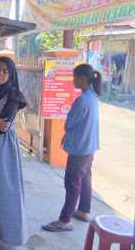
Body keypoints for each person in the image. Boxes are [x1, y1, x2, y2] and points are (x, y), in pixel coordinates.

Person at [43, 63, 101, 232]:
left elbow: (69, 123)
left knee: (72, 183)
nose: (72, 81)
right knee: (85, 179)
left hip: (80, 149)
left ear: (82, 79)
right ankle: (83, 210)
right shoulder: (93, 97)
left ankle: (64, 220)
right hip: (89, 147)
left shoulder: (81, 100)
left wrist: (67, 132)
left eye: (74, 78)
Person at [0, 56, 28, 250]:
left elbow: (2, 126)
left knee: (6, 188)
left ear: (11, 74)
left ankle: (7, 232)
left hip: (4, 147)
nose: (0, 74)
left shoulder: (14, 95)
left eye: (5, 71)